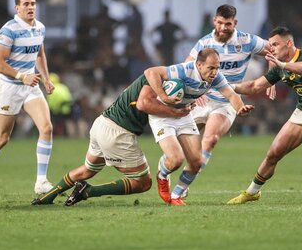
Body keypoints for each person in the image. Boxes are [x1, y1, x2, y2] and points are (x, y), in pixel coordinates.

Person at [31, 73, 192, 206]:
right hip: (118, 134)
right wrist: (176, 111)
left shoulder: (144, 82)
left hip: (101, 124)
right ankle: (88, 191)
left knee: (88, 170)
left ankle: (46, 198)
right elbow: (145, 106)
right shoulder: (150, 96)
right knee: (143, 182)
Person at [227, 26, 302, 205]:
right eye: (270, 45)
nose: (272, 49)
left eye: (275, 44)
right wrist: (229, 86)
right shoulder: (279, 67)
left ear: (289, 43)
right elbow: (254, 86)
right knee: (273, 154)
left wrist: (283, 65)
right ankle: (252, 192)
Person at [145, 48, 254, 205]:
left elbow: (231, 94)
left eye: (217, 67)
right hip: (163, 116)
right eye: (211, 67)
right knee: (176, 160)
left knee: (197, 162)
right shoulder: (183, 70)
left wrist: (240, 108)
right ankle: (162, 175)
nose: (215, 72)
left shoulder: (215, 77)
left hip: (184, 115)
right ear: (199, 64)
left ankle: (176, 196)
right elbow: (150, 72)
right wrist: (164, 97)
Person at [0, 0, 56, 196]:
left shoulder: (40, 28)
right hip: (10, 87)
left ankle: (41, 181)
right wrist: (21, 76)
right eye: (26, 4)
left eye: (33, 3)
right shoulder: (8, 30)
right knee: (2, 138)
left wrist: (46, 78)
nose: (30, 7)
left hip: (30, 86)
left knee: (46, 128)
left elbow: (40, 54)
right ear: (16, 8)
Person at [185, 4, 272, 176]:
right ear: (214, 21)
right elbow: (186, 67)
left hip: (226, 101)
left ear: (235, 23)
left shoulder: (247, 41)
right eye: (220, 23)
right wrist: (192, 93)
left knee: (210, 140)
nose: (223, 27)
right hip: (203, 98)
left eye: (228, 24)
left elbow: (274, 50)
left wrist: (272, 77)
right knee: (180, 144)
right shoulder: (204, 43)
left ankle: (183, 186)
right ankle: (164, 175)